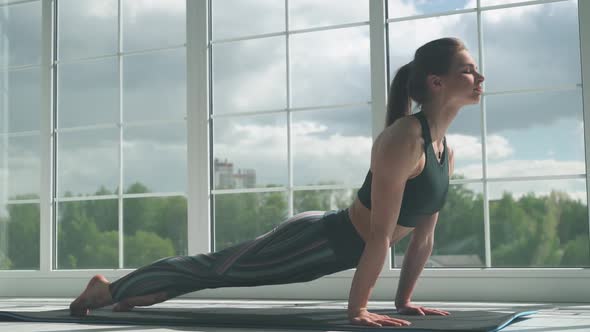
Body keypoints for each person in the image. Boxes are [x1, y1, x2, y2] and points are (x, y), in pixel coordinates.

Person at [69, 36, 485, 328]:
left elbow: (422, 238)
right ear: (437, 82)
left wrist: (404, 301)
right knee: (214, 269)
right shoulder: (404, 138)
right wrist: (356, 309)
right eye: (469, 71)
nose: (480, 78)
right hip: (315, 241)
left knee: (213, 272)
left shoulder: (444, 151)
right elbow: (379, 235)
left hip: (332, 249)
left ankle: (137, 290)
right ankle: (107, 289)